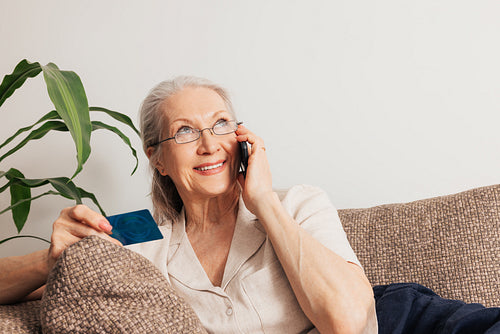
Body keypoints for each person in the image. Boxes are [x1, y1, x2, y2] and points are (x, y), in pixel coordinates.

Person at [0, 76, 377, 333]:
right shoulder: (142, 232)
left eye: (221, 124)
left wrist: (263, 201)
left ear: (242, 138)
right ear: (157, 159)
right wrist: (50, 261)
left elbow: (348, 321)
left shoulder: (298, 203)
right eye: (184, 131)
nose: (209, 144)